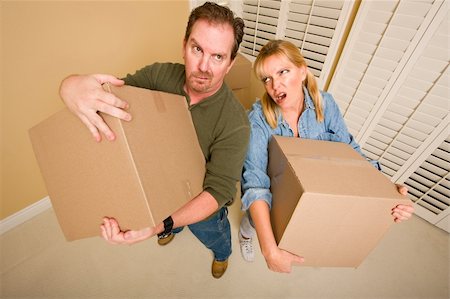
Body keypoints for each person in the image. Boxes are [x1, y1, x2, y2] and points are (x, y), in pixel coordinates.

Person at [59, 2, 250, 279]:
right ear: (184, 45)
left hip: (202, 207)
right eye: (197, 49)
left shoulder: (235, 123)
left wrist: (158, 225)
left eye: (218, 57)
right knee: (169, 222)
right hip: (159, 187)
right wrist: (70, 87)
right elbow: (107, 96)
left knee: (215, 235)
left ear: (230, 63)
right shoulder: (159, 75)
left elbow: (218, 192)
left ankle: (222, 254)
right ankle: (172, 227)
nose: (204, 67)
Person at [238, 40, 415, 273]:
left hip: (309, 191)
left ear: (302, 71)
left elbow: (350, 153)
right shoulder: (259, 119)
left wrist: (387, 191)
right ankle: (245, 234)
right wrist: (269, 249)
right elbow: (255, 182)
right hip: (275, 193)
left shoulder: (326, 104)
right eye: (267, 79)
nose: (275, 85)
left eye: (283, 72)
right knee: (254, 221)